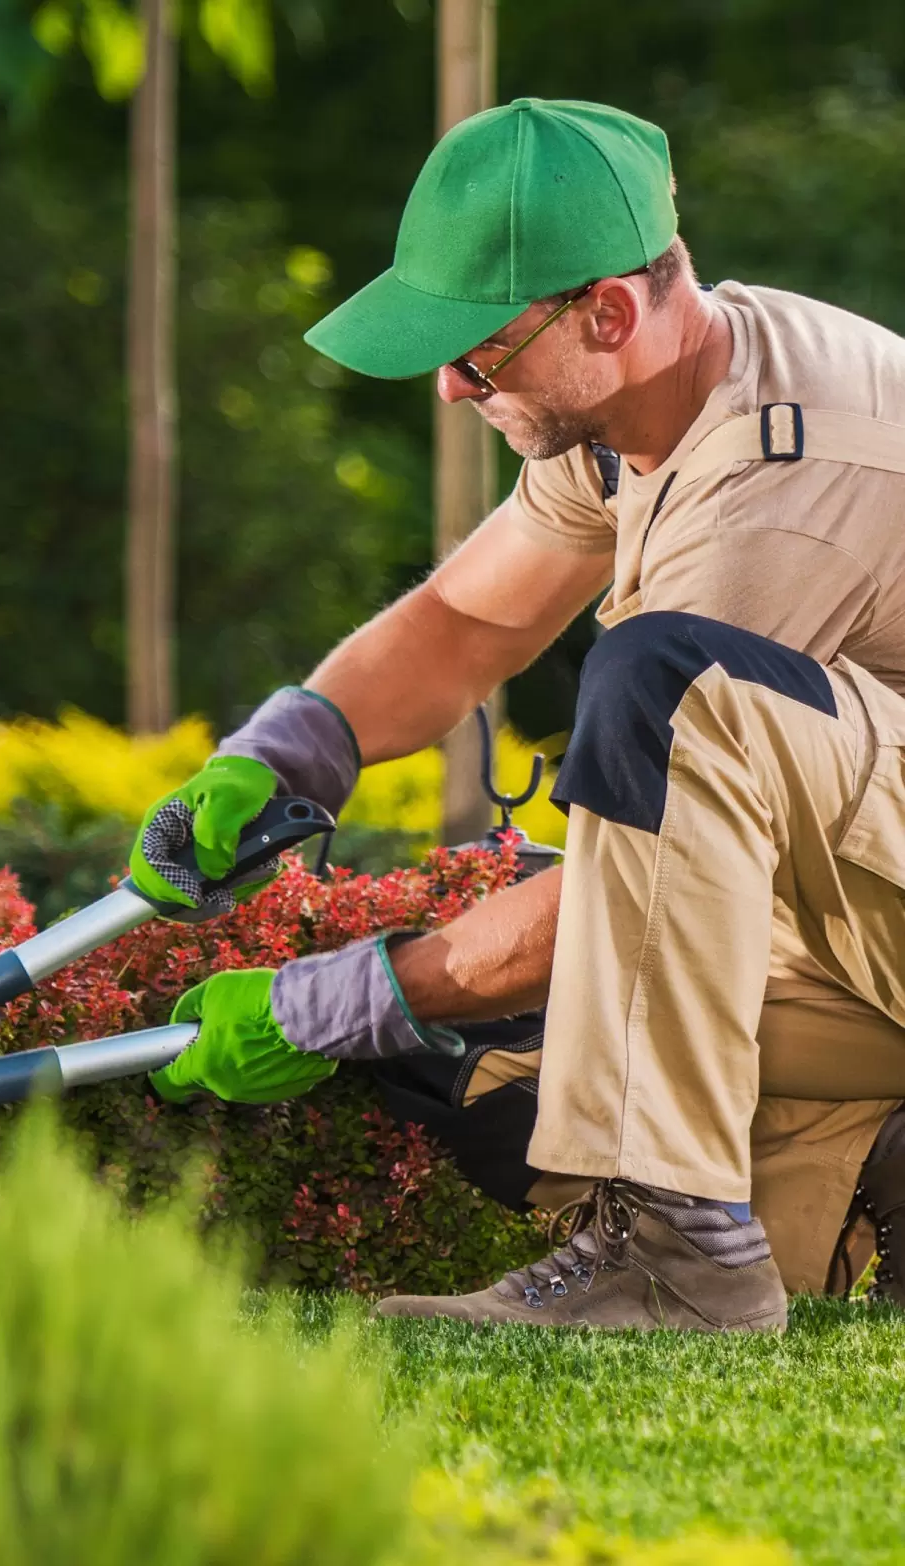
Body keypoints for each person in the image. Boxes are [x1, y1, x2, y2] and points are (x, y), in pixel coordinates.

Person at [129, 97, 905, 1332]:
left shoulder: (781, 486)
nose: (447, 387)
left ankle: (682, 1257)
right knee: (493, 1070)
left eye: (477, 354)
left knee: (656, 692)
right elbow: (467, 620)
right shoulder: (645, 403)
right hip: (868, 928)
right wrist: (287, 750)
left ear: (606, 314)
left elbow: (626, 882)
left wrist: (334, 1002)